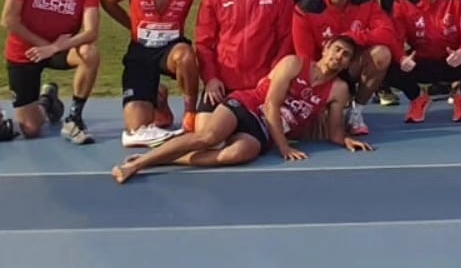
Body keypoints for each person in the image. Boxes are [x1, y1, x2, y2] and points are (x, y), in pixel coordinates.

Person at [113, 35, 369, 182]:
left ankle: (165, 158)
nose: (339, 56)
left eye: (346, 55)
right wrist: (284, 148)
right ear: (325, 49)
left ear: (348, 63)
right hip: (248, 105)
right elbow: (271, 105)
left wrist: (345, 140)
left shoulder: (338, 90)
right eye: (336, 49)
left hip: (263, 133)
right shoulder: (294, 64)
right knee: (209, 137)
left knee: (234, 155)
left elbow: (335, 131)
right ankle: (137, 165)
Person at [101, 0, 217, 148]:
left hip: (171, 50)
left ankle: (189, 115)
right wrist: (131, 26)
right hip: (140, 51)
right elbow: (107, 0)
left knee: (185, 55)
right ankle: (159, 99)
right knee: (137, 131)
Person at [3, 0, 102, 144]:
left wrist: (54, 47)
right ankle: (48, 102)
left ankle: (74, 117)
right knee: (30, 129)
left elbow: (91, 31)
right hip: (25, 50)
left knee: (90, 53)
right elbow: (9, 20)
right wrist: (43, 46)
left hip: (61, 48)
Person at [291, 0, 395, 134]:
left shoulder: (366, 0)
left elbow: (388, 34)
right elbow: (305, 59)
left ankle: (356, 113)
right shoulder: (307, 9)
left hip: (353, 65)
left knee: (382, 54)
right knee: (318, 131)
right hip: (324, 70)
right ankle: (320, 108)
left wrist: (352, 38)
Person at [194, 0, 294, 108]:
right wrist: (211, 78)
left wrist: (273, 77)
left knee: (243, 134)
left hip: (262, 85)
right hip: (222, 85)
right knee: (205, 130)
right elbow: (204, 43)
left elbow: (287, 39)